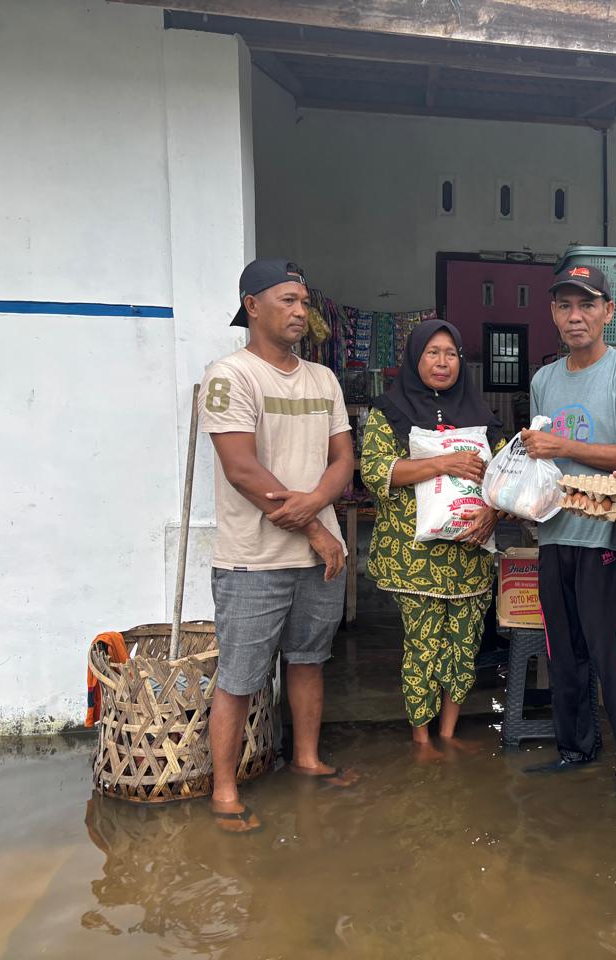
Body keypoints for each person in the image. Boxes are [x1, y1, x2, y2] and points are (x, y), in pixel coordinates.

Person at [200, 259, 358, 835]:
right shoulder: (231, 376)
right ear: (252, 305)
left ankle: (308, 759)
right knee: (240, 677)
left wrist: (317, 507)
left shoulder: (323, 380)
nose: (300, 311)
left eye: (304, 301)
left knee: (309, 661)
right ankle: (224, 788)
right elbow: (242, 467)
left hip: (320, 559)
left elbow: (344, 459)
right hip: (253, 559)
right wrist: (314, 525)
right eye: (288, 299)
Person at [521, 264, 616, 783]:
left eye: (586, 305)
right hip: (555, 532)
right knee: (564, 651)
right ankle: (575, 749)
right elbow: (540, 460)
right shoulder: (543, 380)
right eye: (564, 306)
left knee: (615, 653)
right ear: (553, 314)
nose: (575, 316)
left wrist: (565, 446)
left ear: (608, 311)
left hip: (606, 535)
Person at [360, 320, 502, 759]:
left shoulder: (480, 413)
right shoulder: (389, 411)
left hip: (470, 553)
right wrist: (445, 463)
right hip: (413, 557)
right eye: (432, 353)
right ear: (415, 358)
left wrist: (494, 511)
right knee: (423, 645)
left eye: (451, 353)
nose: (443, 363)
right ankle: (421, 738)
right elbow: (376, 471)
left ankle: (448, 731)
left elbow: (505, 475)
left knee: (464, 643)